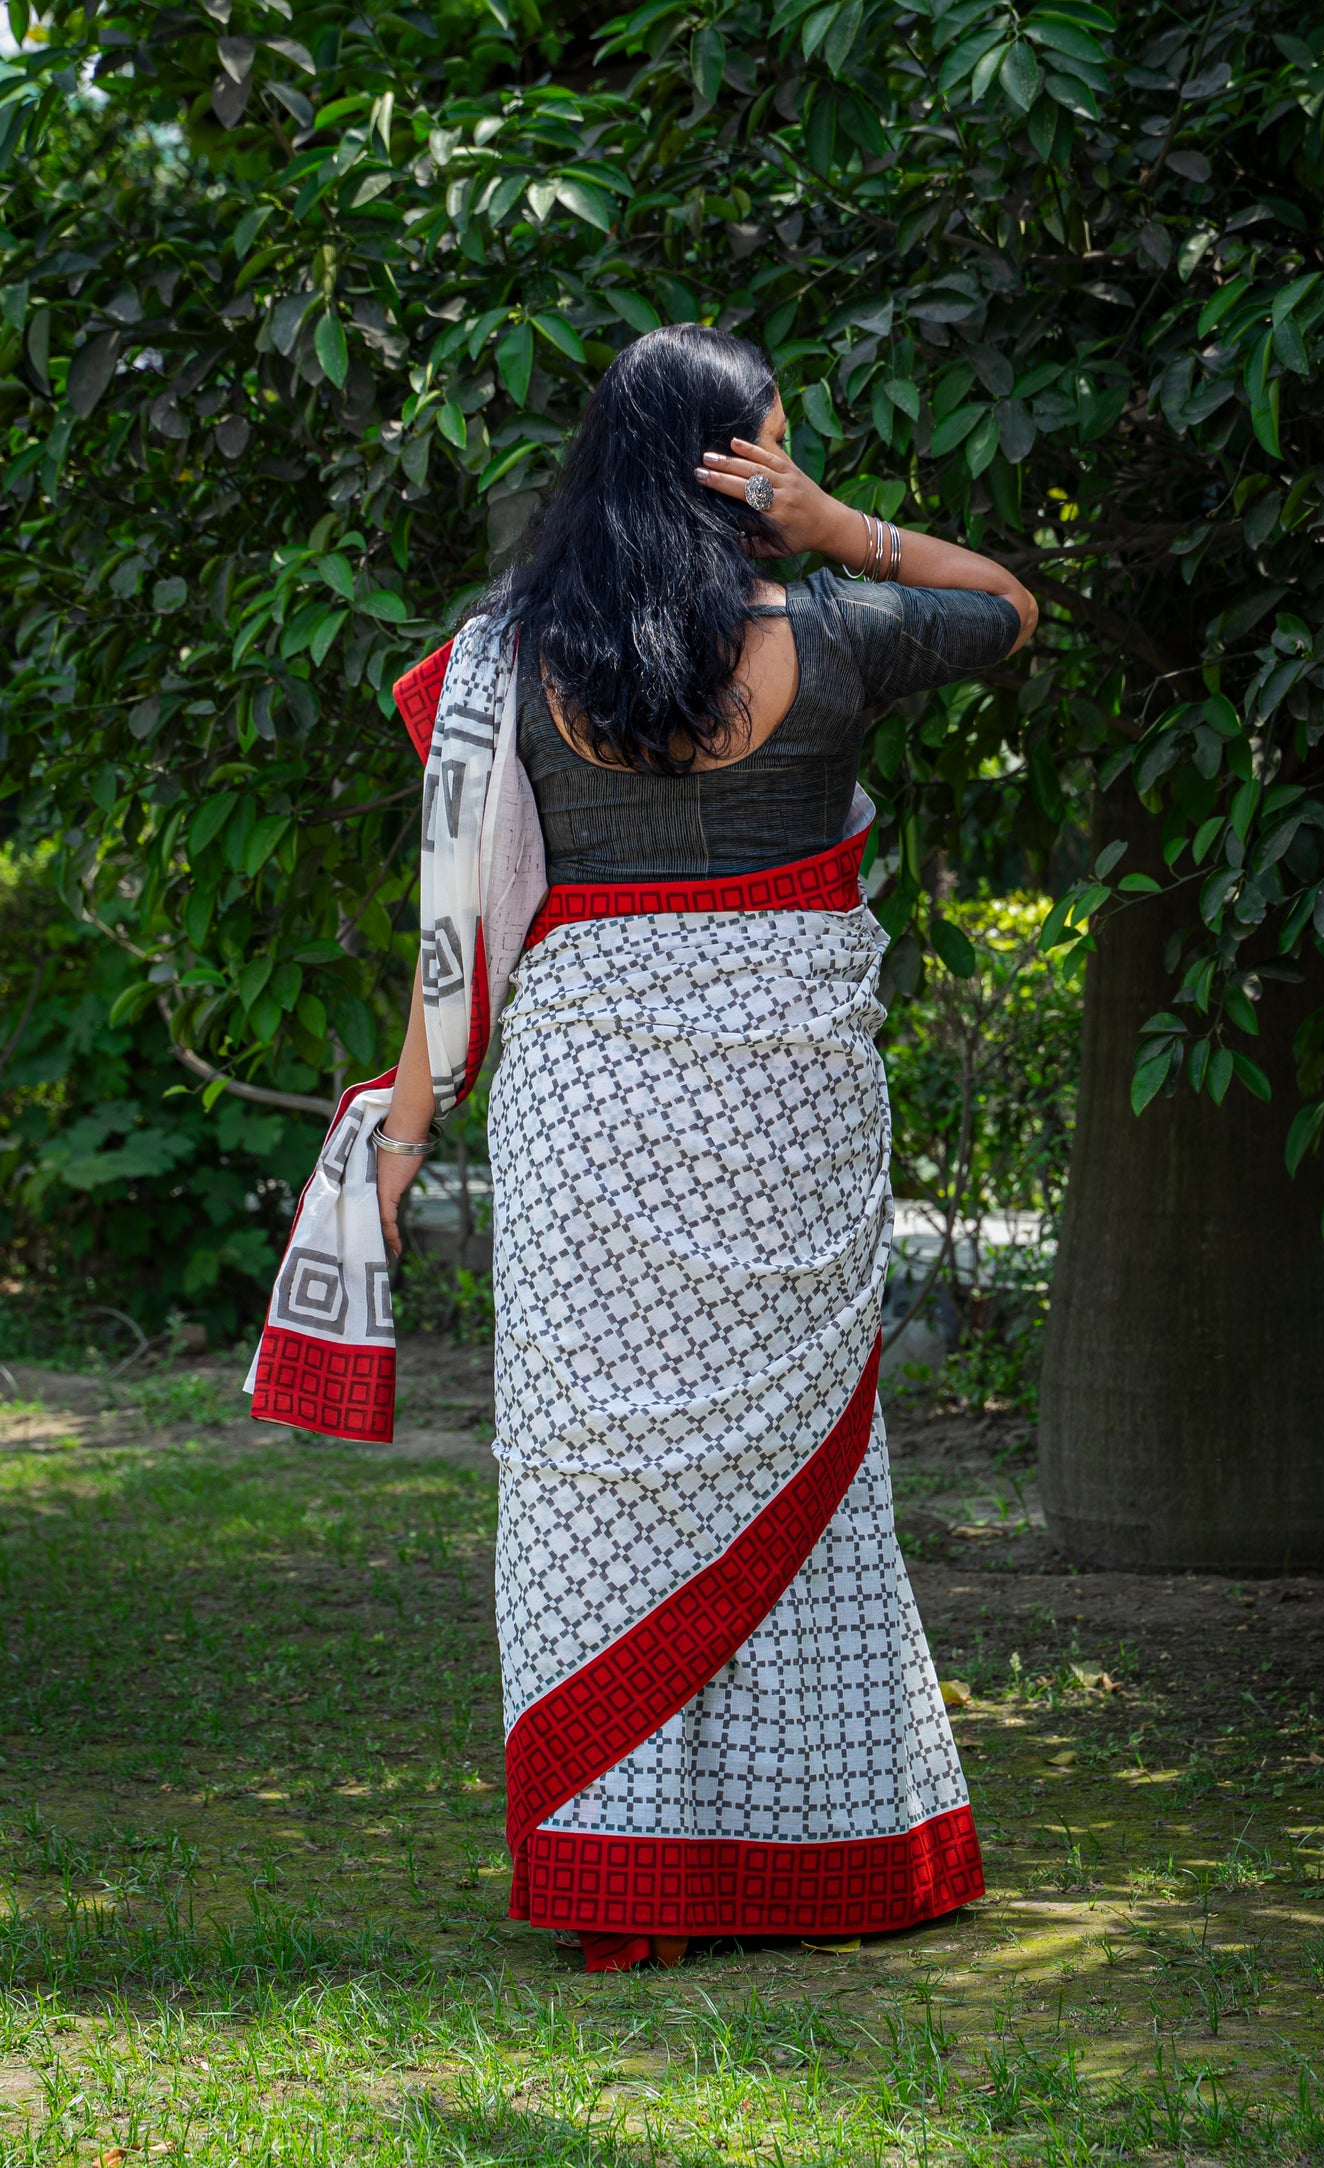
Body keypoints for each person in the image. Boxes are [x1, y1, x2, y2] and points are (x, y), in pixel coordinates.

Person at [289, 323, 1033, 1973]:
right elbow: (1006, 609)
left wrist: (398, 1142)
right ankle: (824, 1851)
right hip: (786, 1109)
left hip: (589, 1110)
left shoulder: (506, 662)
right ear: (742, 463)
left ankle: (623, 1878)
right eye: (773, 440)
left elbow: (457, 932)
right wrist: (836, 524)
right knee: (805, 1482)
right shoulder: (839, 633)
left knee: (586, 1480)